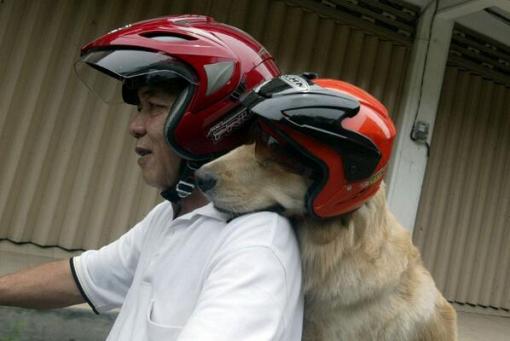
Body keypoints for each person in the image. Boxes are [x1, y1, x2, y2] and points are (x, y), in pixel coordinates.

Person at [0, 15, 303, 340]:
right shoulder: (171, 218)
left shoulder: (254, 244)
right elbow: (80, 279)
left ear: (210, 125)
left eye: (154, 106)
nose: (135, 126)